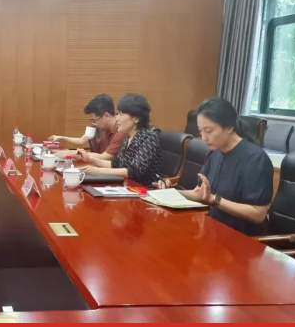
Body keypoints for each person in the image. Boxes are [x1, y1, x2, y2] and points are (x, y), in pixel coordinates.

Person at [155, 98, 273, 236]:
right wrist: (170, 193)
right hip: (214, 229)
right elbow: (202, 194)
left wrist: (215, 200)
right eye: (200, 131)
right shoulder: (215, 153)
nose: (203, 138)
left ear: (229, 127)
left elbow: (258, 214)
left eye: (209, 131)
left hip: (243, 238)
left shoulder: (255, 158)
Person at [77, 94, 161, 186]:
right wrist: (90, 159)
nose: (117, 118)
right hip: (126, 186)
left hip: (144, 189)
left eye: (121, 114)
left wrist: (98, 171)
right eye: (117, 113)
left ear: (136, 118)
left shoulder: (149, 137)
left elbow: (133, 172)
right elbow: (116, 164)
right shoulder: (128, 137)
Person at [48, 94, 127, 161]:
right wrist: (62, 138)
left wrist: (71, 153)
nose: (92, 124)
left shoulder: (121, 130)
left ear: (106, 116)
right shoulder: (97, 125)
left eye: (94, 120)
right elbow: (81, 141)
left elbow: (105, 157)